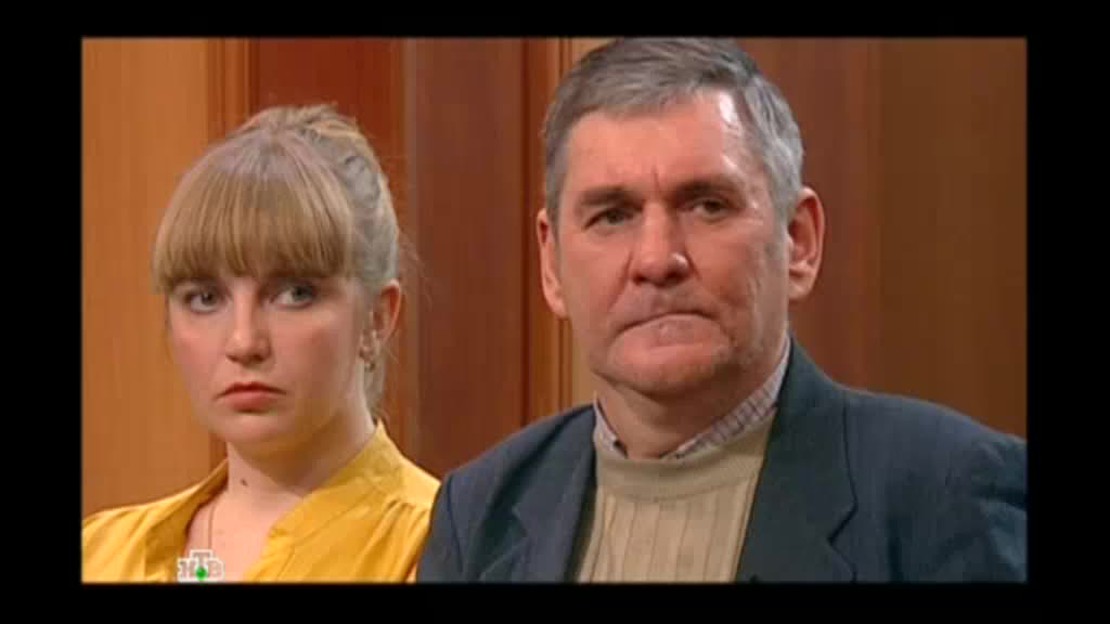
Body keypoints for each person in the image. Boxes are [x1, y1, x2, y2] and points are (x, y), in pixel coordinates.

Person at [417, 38, 1026, 582]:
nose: (657, 259)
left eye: (707, 205)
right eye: (613, 216)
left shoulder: (946, 493)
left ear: (799, 242)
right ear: (552, 265)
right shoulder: (479, 513)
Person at [83, 104, 439, 582]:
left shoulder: (445, 548)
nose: (244, 341)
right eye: (206, 298)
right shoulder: (101, 553)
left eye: (295, 294)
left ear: (376, 318)